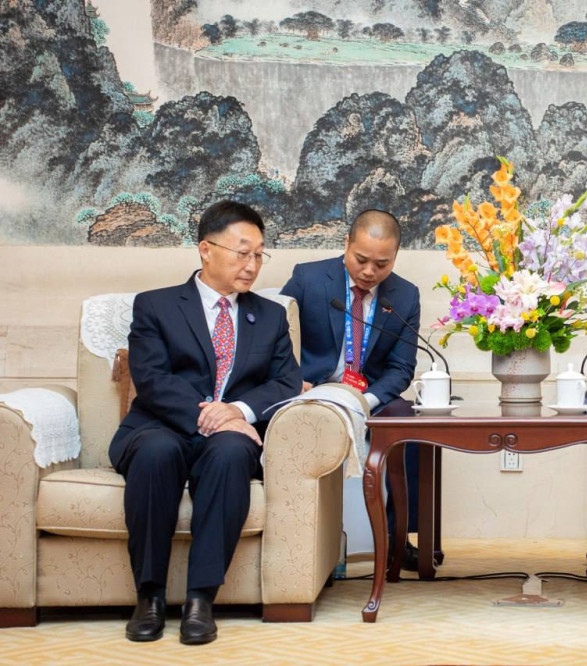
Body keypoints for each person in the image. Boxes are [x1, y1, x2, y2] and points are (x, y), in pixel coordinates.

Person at [110, 201, 301, 645]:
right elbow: (151, 379)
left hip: (231, 434)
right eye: (242, 252)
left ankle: (201, 599)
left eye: (259, 254)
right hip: (160, 425)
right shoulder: (155, 305)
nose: (251, 265)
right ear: (205, 249)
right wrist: (210, 413)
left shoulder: (270, 316)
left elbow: (287, 381)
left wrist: (239, 411)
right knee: (157, 452)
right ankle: (149, 596)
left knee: (232, 453)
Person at [281, 209, 426, 569]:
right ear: (346, 244)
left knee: (409, 422)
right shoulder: (308, 278)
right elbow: (274, 339)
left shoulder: (405, 296)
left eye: (381, 264)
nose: (369, 272)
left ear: (395, 257)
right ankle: (303, 536)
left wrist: (364, 400)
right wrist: (292, 381)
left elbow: (401, 369)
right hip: (312, 391)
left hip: (369, 395)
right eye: (361, 260)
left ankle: (397, 537)